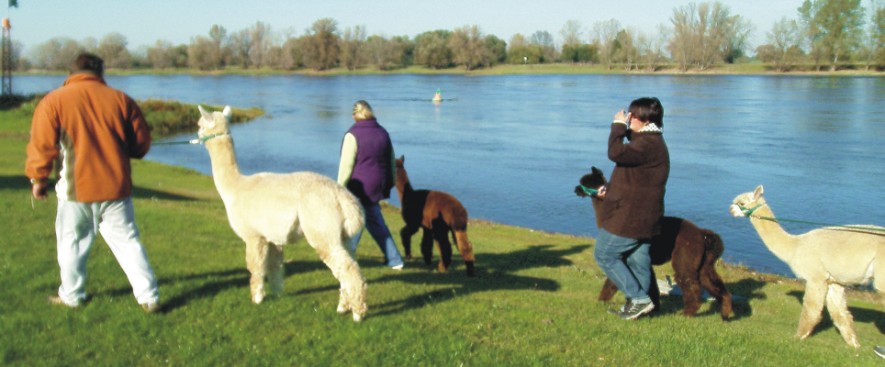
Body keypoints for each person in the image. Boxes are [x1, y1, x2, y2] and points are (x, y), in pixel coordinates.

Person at [25, 53, 160, 313]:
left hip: (76, 191)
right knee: (129, 242)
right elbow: (141, 145)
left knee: (71, 243)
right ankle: (149, 296)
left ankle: (73, 296)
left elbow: (41, 146)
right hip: (117, 188)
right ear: (100, 72)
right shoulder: (122, 100)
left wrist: (38, 179)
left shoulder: (53, 102)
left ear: (72, 72)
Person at [593, 97, 669, 320]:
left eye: (633, 115)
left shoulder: (648, 144)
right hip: (646, 217)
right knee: (638, 261)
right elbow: (633, 171)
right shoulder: (651, 140)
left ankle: (639, 299)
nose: (629, 118)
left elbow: (616, 153)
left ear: (645, 120)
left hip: (631, 217)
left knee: (605, 254)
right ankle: (643, 309)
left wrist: (617, 126)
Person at [337, 100, 405, 270]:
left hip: (359, 187)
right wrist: (389, 183)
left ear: (355, 115)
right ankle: (394, 259)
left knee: (357, 221)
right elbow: (391, 161)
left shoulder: (352, 135)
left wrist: (339, 189)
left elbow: (346, 166)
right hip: (377, 185)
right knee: (373, 220)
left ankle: (345, 259)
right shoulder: (383, 133)